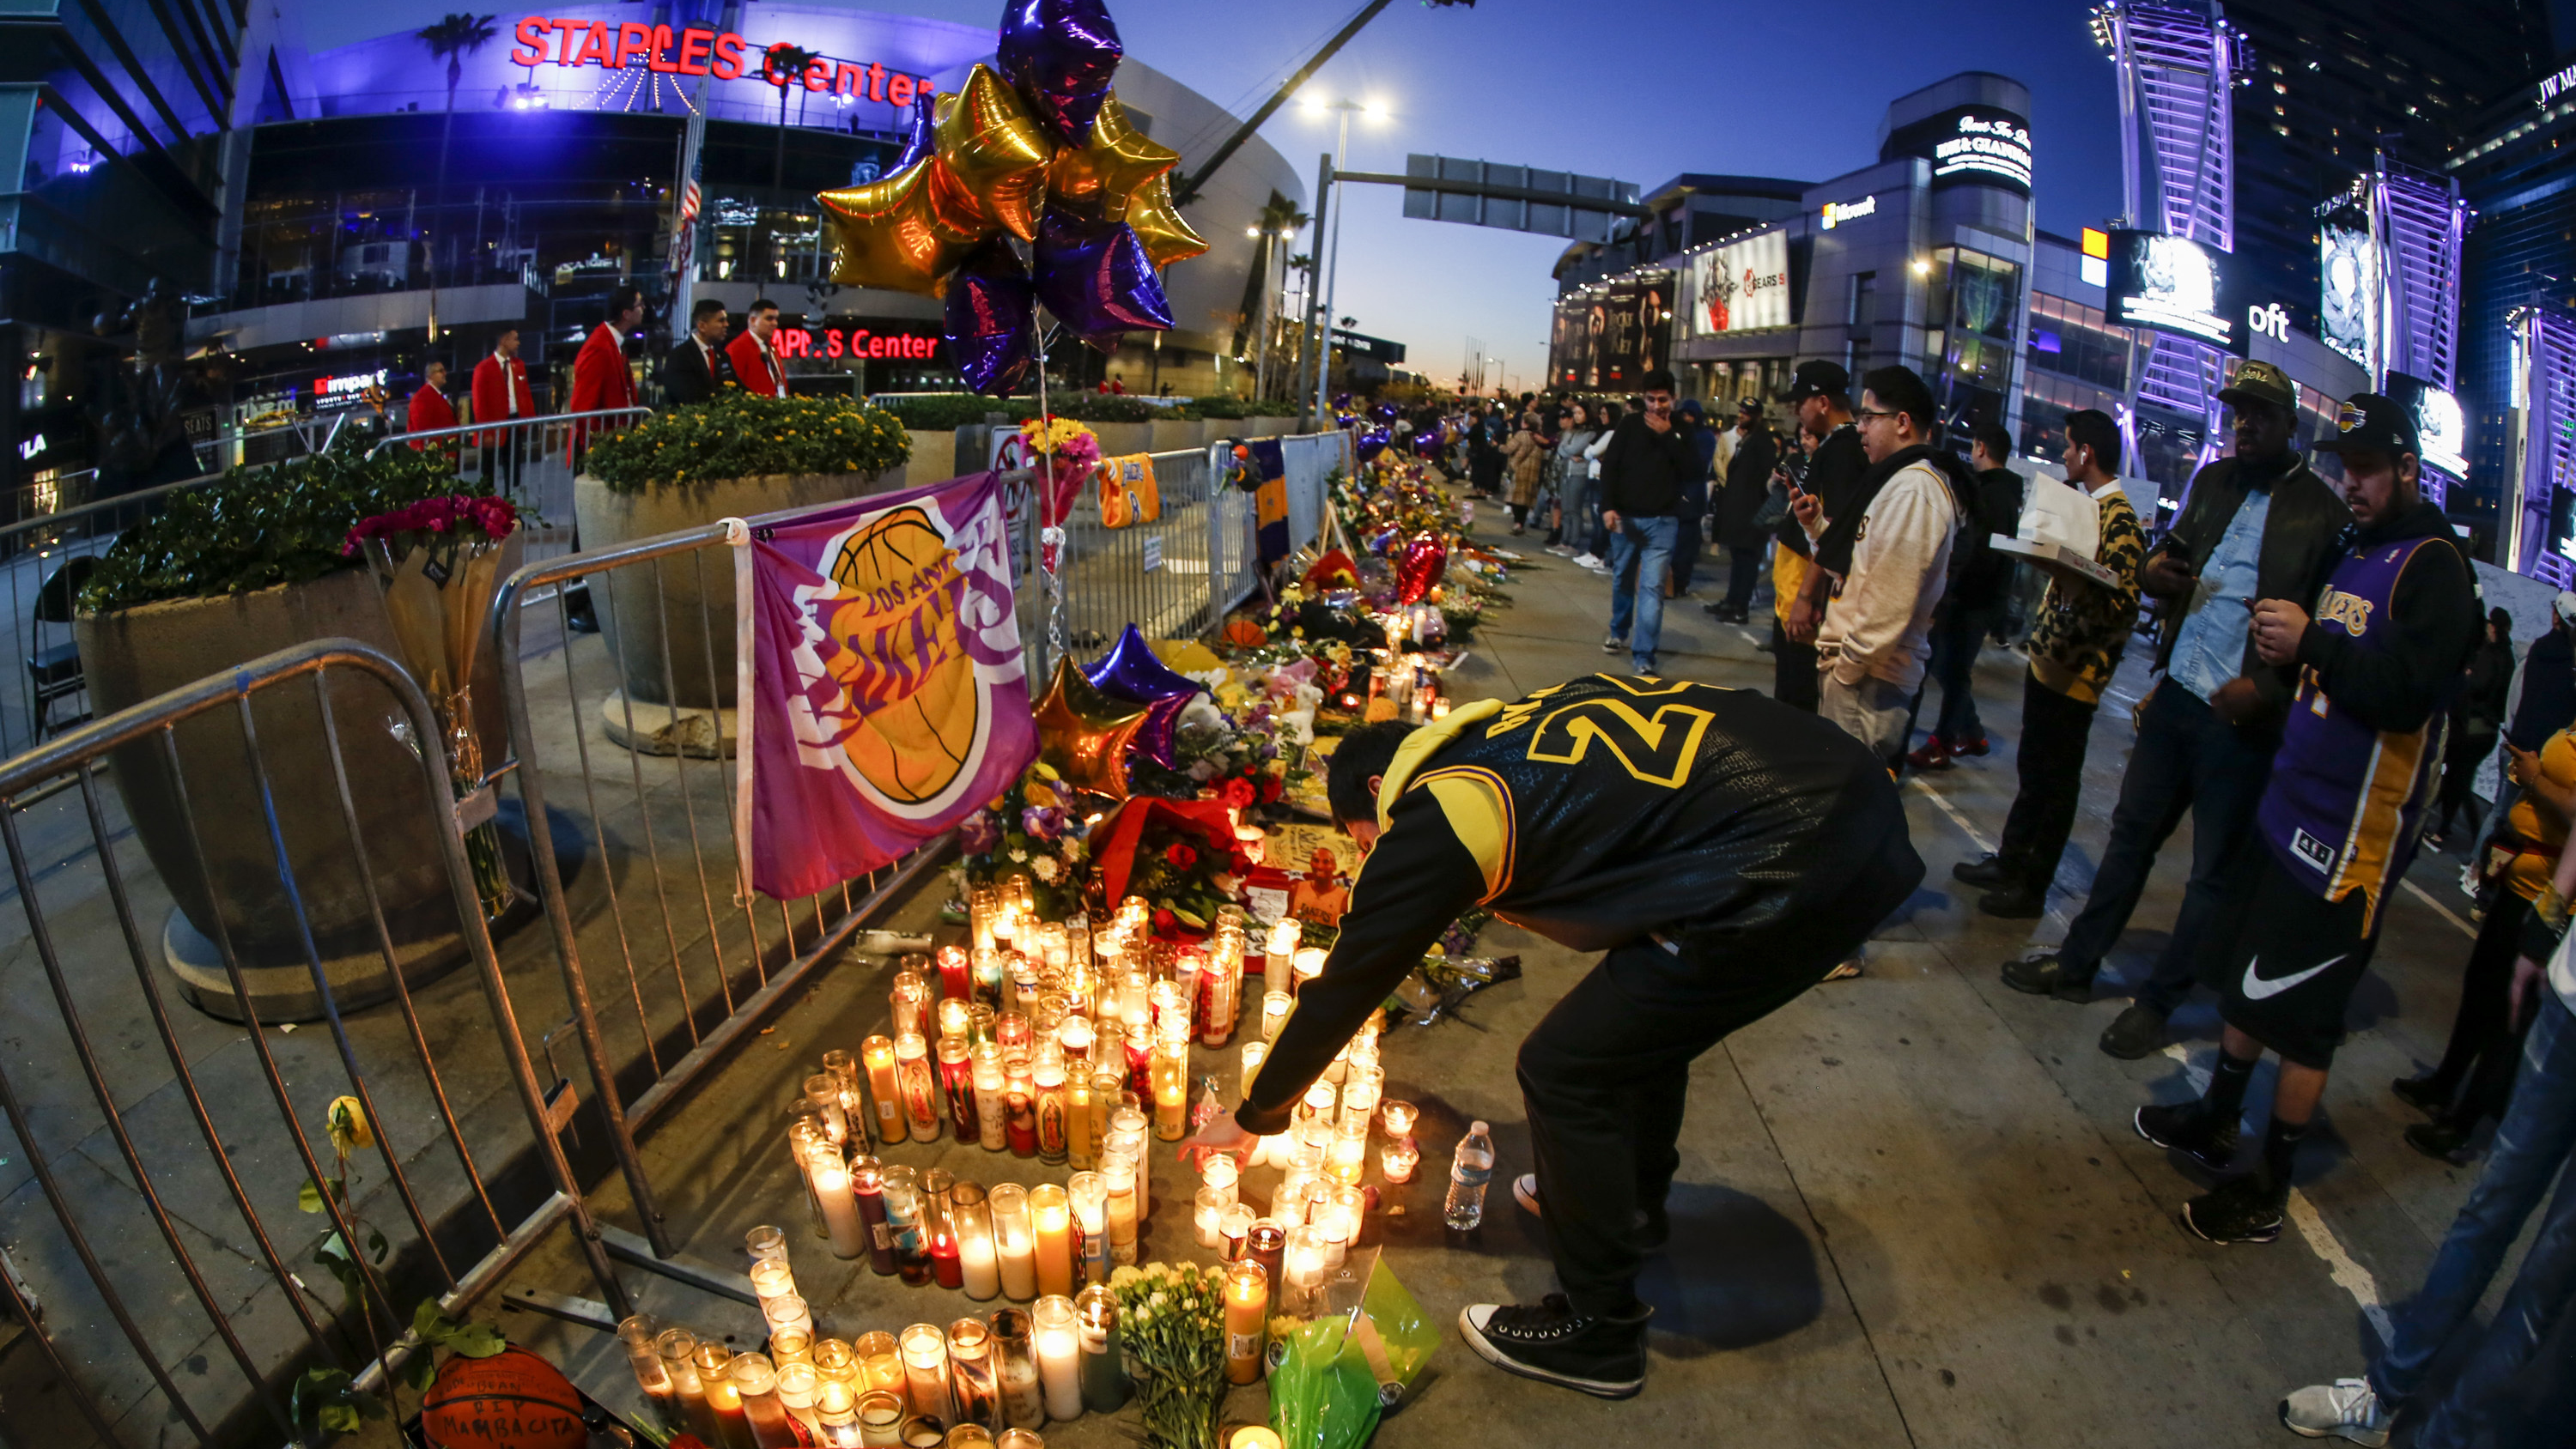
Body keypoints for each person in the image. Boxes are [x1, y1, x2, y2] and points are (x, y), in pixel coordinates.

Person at [1184, 676, 1925, 1398]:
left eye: (1364, 839)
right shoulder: (1502, 731)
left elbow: (1350, 981)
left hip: (1794, 860)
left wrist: (1257, 1114)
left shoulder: (1446, 811)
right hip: (1842, 798)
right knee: (1636, 1030)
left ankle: (1599, 1331)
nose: (1374, 856)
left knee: (1568, 1067)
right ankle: (1625, 1209)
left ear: (1383, 786)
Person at [2131, 391, 2479, 1243]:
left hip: (2348, 842)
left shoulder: (2435, 567)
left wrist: (2313, 643)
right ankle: (2218, 1111)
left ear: (2407, 469)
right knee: (2249, 983)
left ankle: (2269, 1183)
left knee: (2303, 1019)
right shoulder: (2360, 547)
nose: (2352, 483)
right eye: (2345, 467)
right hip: (2287, 809)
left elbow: (2405, 698)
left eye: (2368, 469)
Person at [2000, 361, 2350, 1059]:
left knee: (2210, 875)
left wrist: (2269, 692)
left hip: (2241, 721)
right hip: (2178, 695)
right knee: (2128, 839)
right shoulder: (2214, 480)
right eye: (2237, 411)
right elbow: (2172, 558)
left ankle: (2158, 1005)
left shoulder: (2323, 513)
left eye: (2260, 413)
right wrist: (2157, 574)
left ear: (2292, 426)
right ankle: (2075, 968)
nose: (2243, 423)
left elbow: (2330, 639)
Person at [2279, 815, 2576, 1447]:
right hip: (2572, 1002)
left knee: (2552, 1275)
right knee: (2490, 1208)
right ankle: (2384, 1396)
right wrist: (2545, 921)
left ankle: (2448, 1438)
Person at [1953, 409, 2146, 919]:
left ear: (2087, 453)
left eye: (2068, 446)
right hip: (2048, 667)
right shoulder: (2089, 509)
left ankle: (2032, 887)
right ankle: (2012, 862)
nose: (2063, 455)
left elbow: (2122, 606)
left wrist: (2075, 594)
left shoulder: (2120, 518)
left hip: (2074, 678)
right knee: (2033, 774)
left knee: (2056, 784)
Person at [1791, 364, 1962, 770]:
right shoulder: (1895, 481)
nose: (1860, 428)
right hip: (1861, 675)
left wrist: (1847, 670)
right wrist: (1815, 525)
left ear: (1903, 423)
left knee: (1844, 804)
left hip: (1868, 681)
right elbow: (1858, 568)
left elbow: (1890, 599)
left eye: (1869, 418)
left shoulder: (1915, 490)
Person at [1905, 425, 2025, 769]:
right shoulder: (1999, 492)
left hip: (1973, 600)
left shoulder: (1993, 495)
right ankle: (1972, 733)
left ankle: (1942, 743)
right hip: (1974, 598)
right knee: (1949, 668)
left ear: (1981, 448)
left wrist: (1951, 586)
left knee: (1952, 670)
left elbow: (1984, 554)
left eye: (1974, 446)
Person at [1772, 362, 1863, 712]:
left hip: (1804, 603)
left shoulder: (1842, 450)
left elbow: (1836, 532)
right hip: (1797, 596)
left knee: (1794, 707)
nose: (1797, 410)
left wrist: (1807, 597)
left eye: (1802, 402)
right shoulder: (1837, 447)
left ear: (1823, 402)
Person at [1597, 371, 1698, 673]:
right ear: (1644, 399)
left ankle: (1644, 656)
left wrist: (1669, 435)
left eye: (1663, 399)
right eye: (1651, 399)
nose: (1656, 406)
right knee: (1623, 579)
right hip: (1626, 518)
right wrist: (1608, 507)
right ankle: (1618, 630)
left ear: (1674, 398)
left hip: (1663, 521)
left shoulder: (1682, 428)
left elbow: (1693, 471)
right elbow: (1610, 468)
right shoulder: (1629, 425)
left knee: (1653, 588)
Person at [2427, 609, 2513, 849]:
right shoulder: (2507, 656)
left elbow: (2478, 685)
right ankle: (2439, 820)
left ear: (2493, 626)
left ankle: (2448, 831)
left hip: (2473, 726)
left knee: (2458, 779)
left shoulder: (2490, 654)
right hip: (2485, 729)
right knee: (2458, 777)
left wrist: (2467, 675)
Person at [1708, 398, 1777, 624]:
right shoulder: (1746, 440)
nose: (1741, 415)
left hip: (1752, 513)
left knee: (1748, 562)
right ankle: (1731, 600)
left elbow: (1764, 480)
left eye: (1746, 413)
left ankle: (1741, 607)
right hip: (1739, 513)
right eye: (1740, 411)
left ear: (1757, 416)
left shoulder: (1762, 441)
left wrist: (1757, 512)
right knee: (1738, 559)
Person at [568, 282, 642, 467]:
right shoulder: (599, 348)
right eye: (639, 305)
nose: (643, 309)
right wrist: (598, 445)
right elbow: (583, 407)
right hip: (598, 448)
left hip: (612, 441)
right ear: (626, 314)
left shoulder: (613, 343)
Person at [470, 326, 532, 493]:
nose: (518, 343)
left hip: (515, 422)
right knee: (488, 470)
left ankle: (512, 505)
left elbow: (525, 394)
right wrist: (486, 432)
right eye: (515, 339)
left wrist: (529, 420)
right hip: (493, 426)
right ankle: (487, 507)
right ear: (504, 341)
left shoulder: (519, 365)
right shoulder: (483, 368)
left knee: (513, 468)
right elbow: (479, 404)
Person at [1668, 398, 1717, 598]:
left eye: (1690, 415)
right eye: (1684, 415)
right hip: (1676, 495)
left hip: (1693, 496)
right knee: (1672, 543)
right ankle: (1670, 582)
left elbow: (1695, 464)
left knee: (1686, 546)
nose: (1686, 419)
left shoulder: (1704, 437)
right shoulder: (1677, 432)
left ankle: (1680, 582)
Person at [1543, 401, 1598, 554]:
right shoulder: (1571, 431)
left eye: (1580, 413)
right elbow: (1562, 449)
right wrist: (1568, 451)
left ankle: (1573, 543)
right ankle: (1564, 541)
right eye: (1575, 413)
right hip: (1566, 471)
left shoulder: (1589, 433)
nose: (1577, 416)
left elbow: (1573, 448)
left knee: (1574, 509)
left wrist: (1568, 450)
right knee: (1565, 508)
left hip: (1579, 473)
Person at [659, 298, 738, 404]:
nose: (726, 324)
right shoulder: (679, 357)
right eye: (721, 320)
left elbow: (737, 388)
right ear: (702, 326)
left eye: (726, 320)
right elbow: (687, 398)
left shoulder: (722, 356)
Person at [727, 298, 788, 398]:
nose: (775, 323)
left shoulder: (771, 347)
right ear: (753, 320)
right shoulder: (738, 348)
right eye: (769, 318)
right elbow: (732, 389)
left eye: (776, 319)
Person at [1503, 414, 1544, 533]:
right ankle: (1521, 523)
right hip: (1534, 471)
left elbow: (1509, 448)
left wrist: (1499, 447)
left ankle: (1517, 523)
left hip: (1520, 469)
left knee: (1517, 499)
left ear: (1525, 423)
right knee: (1526, 500)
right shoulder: (1540, 437)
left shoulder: (1521, 434)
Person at [405, 359, 457, 450]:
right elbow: (422, 428)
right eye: (441, 371)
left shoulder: (436, 394)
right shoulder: (421, 398)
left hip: (443, 451)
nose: (445, 373)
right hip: (433, 455)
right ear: (430, 375)